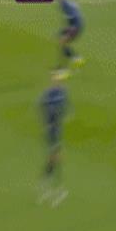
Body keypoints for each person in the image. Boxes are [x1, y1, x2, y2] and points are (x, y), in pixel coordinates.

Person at [38, 72, 69, 207]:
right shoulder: (49, 95)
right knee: (56, 156)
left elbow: (64, 107)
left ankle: (48, 183)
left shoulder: (62, 93)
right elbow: (42, 107)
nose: (58, 83)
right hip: (52, 130)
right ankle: (50, 185)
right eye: (56, 81)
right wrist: (47, 123)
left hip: (57, 128)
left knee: (55, 157)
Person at [56, 0, 85, 80]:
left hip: (76, 27)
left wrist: (67, 32)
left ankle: (64, 71)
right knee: (62, 42)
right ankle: (75, 58)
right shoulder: (70, 4)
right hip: (77, 25)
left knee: (63, 42)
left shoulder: (67, 9)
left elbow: (74, 22)